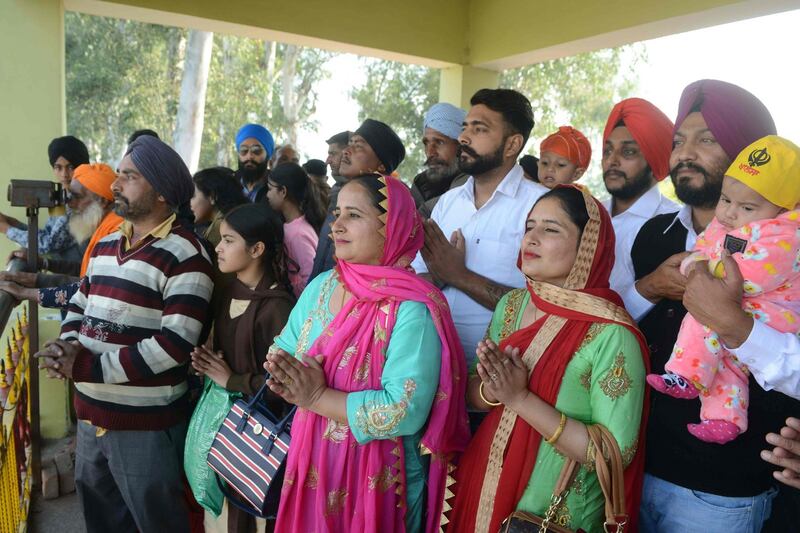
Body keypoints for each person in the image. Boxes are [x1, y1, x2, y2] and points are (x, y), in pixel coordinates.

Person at [630, 80, 794, 533]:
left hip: (724, 488)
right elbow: (617, 328)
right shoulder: (654, 234)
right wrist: (646, 287)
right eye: (679, 140)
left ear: (749, 155)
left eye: (706, 140)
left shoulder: (787, 248)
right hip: (638, 464)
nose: (684, 152)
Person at [264, 174, 469, 532]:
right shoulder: (323, 286)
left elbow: (402, 410)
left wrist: (314, 394)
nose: (337, 224)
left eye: (354, 215)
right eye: (337, 212)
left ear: (391, 227)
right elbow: (284, 349)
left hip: (377, 474)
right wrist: (281, 374)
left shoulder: (411, 307)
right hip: (312, 458)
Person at [35, 135, 214, 533]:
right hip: (90, 415)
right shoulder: (108, 244)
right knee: (101, 518)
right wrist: (67, 345)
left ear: (163, 192)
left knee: (155, 521)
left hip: (144, 427)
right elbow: (80, 302)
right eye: (119, 175)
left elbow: (174, 346)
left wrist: (85, 366)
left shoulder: (186, 255)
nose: (115, 185)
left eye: (129, 176)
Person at [447, 185, 649, 533]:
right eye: (529, 227)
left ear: (588, 246)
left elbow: (613, 454)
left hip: (551, 514)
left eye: (550, 229)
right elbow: (473, 395)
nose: (532, 238)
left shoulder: (612, 334)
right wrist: (492, 392)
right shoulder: (511, 306)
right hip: (483, 485)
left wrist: (520, 399)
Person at [648, 135, 800, 444]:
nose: (730, 212)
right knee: (726, 364)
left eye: (745, 206)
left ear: (786, 208)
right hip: (744, 312)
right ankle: (724, 420)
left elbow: (749, 277)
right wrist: (697, 265)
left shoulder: (787, 236)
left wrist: (699, 269)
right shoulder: (731, 224)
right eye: (726, 199)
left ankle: (685, 374)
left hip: (773, 318)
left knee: (702, 316)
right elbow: (702, 250)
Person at [411, 88, 548, 368]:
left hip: (502, 380)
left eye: (479, 129)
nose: (463, 138)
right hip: (433, 369)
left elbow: (544, 307)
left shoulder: (540, 206)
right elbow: (415, 280)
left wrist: (458, 275)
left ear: (512, 145)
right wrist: (437, 277)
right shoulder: (447, 203)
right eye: (465, 128)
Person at [190, 203, 293, 533]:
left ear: (257, 249)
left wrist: (230, 379)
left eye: (229, 240)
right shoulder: (226, 291)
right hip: (223, 430)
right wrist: (205, 363)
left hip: (258, 435)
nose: (218, 247)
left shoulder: (279, 307)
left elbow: (286, 385)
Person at [0, 163, 122, 308]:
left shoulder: (116, 234)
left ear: (102, 201)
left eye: (77, 197)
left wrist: (28, 288)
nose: (70, 204)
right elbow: (84, 271)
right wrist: (44, 263)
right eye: (70, 195)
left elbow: (95, 289)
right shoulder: (102, 227)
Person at [601, 98, 677, 310]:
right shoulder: (588, 211)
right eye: (607, 151)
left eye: (628, 152)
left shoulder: (675, 224)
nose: (612, 161)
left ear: (654, 163)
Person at [309, 121, 405, 281]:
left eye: (358, 146)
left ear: (381, 165)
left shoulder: (392, 208)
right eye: (349, 144)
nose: (346, 151)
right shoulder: (339, 194)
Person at [0, 135, 89, 265]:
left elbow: (47, 245)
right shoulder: (61, 195)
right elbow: (48, 233)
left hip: (79, 275)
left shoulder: (79, 200)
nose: (64, 174)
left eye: (70, 167)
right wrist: (13, 223)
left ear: (82, 167)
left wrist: (6, 229)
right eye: (58, 167)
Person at [266, 162, 324, 297]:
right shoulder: (294, 226)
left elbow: (309, 278)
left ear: (283, 191)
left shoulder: (297, 233)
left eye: (270, 189)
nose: (267, 195)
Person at [411, 102, 469, 218]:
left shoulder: (476, 184)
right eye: (426, 143)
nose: (430, 152)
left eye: (439, 142)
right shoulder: (419, 185)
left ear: (461, 146)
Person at [191, 166, 248, 248]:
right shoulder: (234, 219)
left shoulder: (221, 227)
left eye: (192, 196)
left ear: (212, 196)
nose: (188, 202)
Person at [235, 124, 275, 202]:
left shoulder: (276, 187)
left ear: (268, 155)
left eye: (256, 151)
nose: (249, 156)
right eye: (244, 151)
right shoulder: (229, 183)